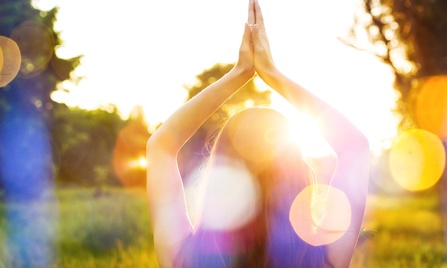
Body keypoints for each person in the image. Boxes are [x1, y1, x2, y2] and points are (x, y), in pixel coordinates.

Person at [146, 0, 369, 267]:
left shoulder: (184, 258)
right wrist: (273, 74)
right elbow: (355, 147)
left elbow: (161, 147)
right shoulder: (323, 259)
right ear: (294, 173)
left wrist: (239, 74)